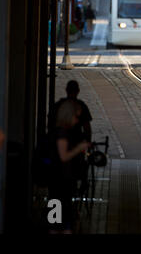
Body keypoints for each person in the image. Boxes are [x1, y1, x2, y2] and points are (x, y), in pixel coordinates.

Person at [48, 99, 91, 233]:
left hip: (59, 182)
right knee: (60, 222)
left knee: (59, 222)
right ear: (69, 115)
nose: (77, 120)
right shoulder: (62, 134)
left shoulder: (59, 131)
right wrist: (80, 148)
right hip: (60, 182)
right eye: (76, 116)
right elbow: (63, 156)